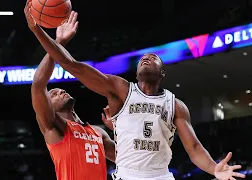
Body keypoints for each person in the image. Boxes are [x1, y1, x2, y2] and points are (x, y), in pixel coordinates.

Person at [24, 2, 246, 180]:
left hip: (160, 175)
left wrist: (213, 169)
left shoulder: (174, 105)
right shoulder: (120, 89)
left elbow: (193, 147)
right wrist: (39, 32)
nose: (147, 58)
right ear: (136, 73)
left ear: (162, 74)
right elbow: (69, 64)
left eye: (154, 58)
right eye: (143, 59)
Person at [28, 7, 115, 180]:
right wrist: (58, 42)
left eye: (59, 90)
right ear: (48, 106)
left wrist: (120, 129)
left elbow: (130, 160)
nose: (60, 90)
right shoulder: (54, 126)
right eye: (53, 94)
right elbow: (38, 85)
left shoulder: (98, 133)